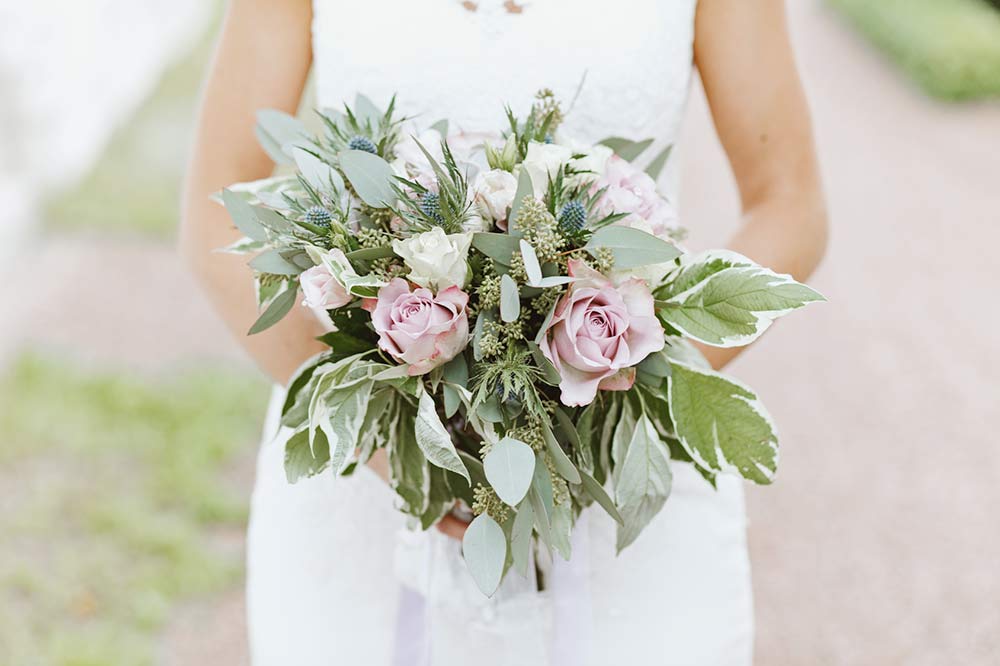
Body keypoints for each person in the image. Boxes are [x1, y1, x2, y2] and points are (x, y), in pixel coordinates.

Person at [180, 0, 828, 663]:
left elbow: (790, 202)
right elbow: (217, 219)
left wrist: (607, 381)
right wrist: (394, 441)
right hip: (365, 486)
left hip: (618, 467)